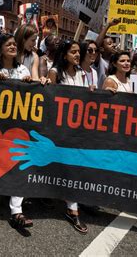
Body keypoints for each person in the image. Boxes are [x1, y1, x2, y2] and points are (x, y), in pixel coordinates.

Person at [0, 33, 33, 228]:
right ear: (0, 49)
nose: (13, 47)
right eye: (9, 44)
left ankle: (16, 211)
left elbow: (32, 88)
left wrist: (33, 82)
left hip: (18, 126)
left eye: (14, 45)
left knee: (18, 160)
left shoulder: (23, 70)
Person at [48, 40, 89, 234]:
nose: (77, 55)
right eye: (73, 52)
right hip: (59, 128)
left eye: (78, 52)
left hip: (78, 129)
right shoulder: (56, 72)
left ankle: (72, 209)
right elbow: (50, 99)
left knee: (73, 167)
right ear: (64, 55)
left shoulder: (83, 73)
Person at [94, 19, 120, 87]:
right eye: (109, 44)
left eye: (113, 43)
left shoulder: (115, 63)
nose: (114, 45)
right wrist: (108, 25)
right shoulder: (99, 62)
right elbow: (96, 47)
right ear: (101, 49)